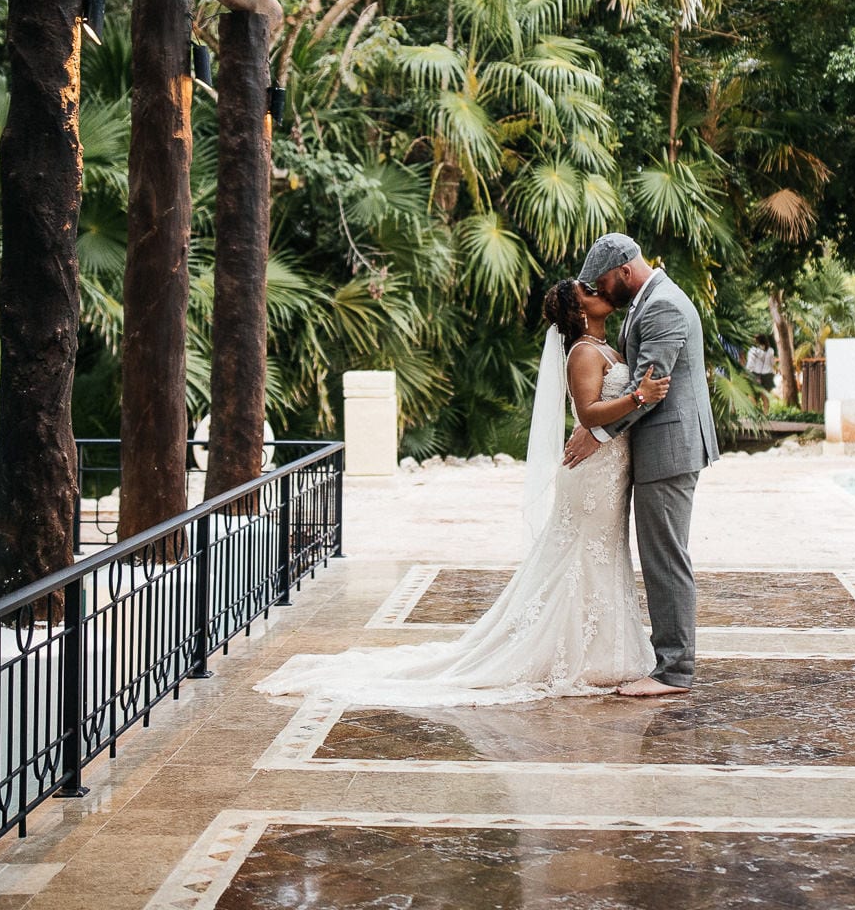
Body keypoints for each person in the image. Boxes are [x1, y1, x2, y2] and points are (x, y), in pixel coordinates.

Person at [255, 273, 672, 706]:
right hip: (590, 476)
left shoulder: (606, 347)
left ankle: (600, 650)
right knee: (584, 556)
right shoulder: (583, 353)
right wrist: (639, 397)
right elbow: (588, 413)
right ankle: (577, 655)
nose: (599, 291)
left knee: (602, 554)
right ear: (579, 310)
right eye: (589, 290)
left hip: (608, 471)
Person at [563, 233, 719, 697]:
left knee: (665, 557)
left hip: (669, 451)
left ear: (624, 272)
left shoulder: (662, 306)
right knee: (659, 556)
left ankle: (674, 670)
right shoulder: (644, 301)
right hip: (657, 451)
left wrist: (597, 432)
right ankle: (667, 659)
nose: (603, 292)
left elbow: (653, 388)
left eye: (605, 282)